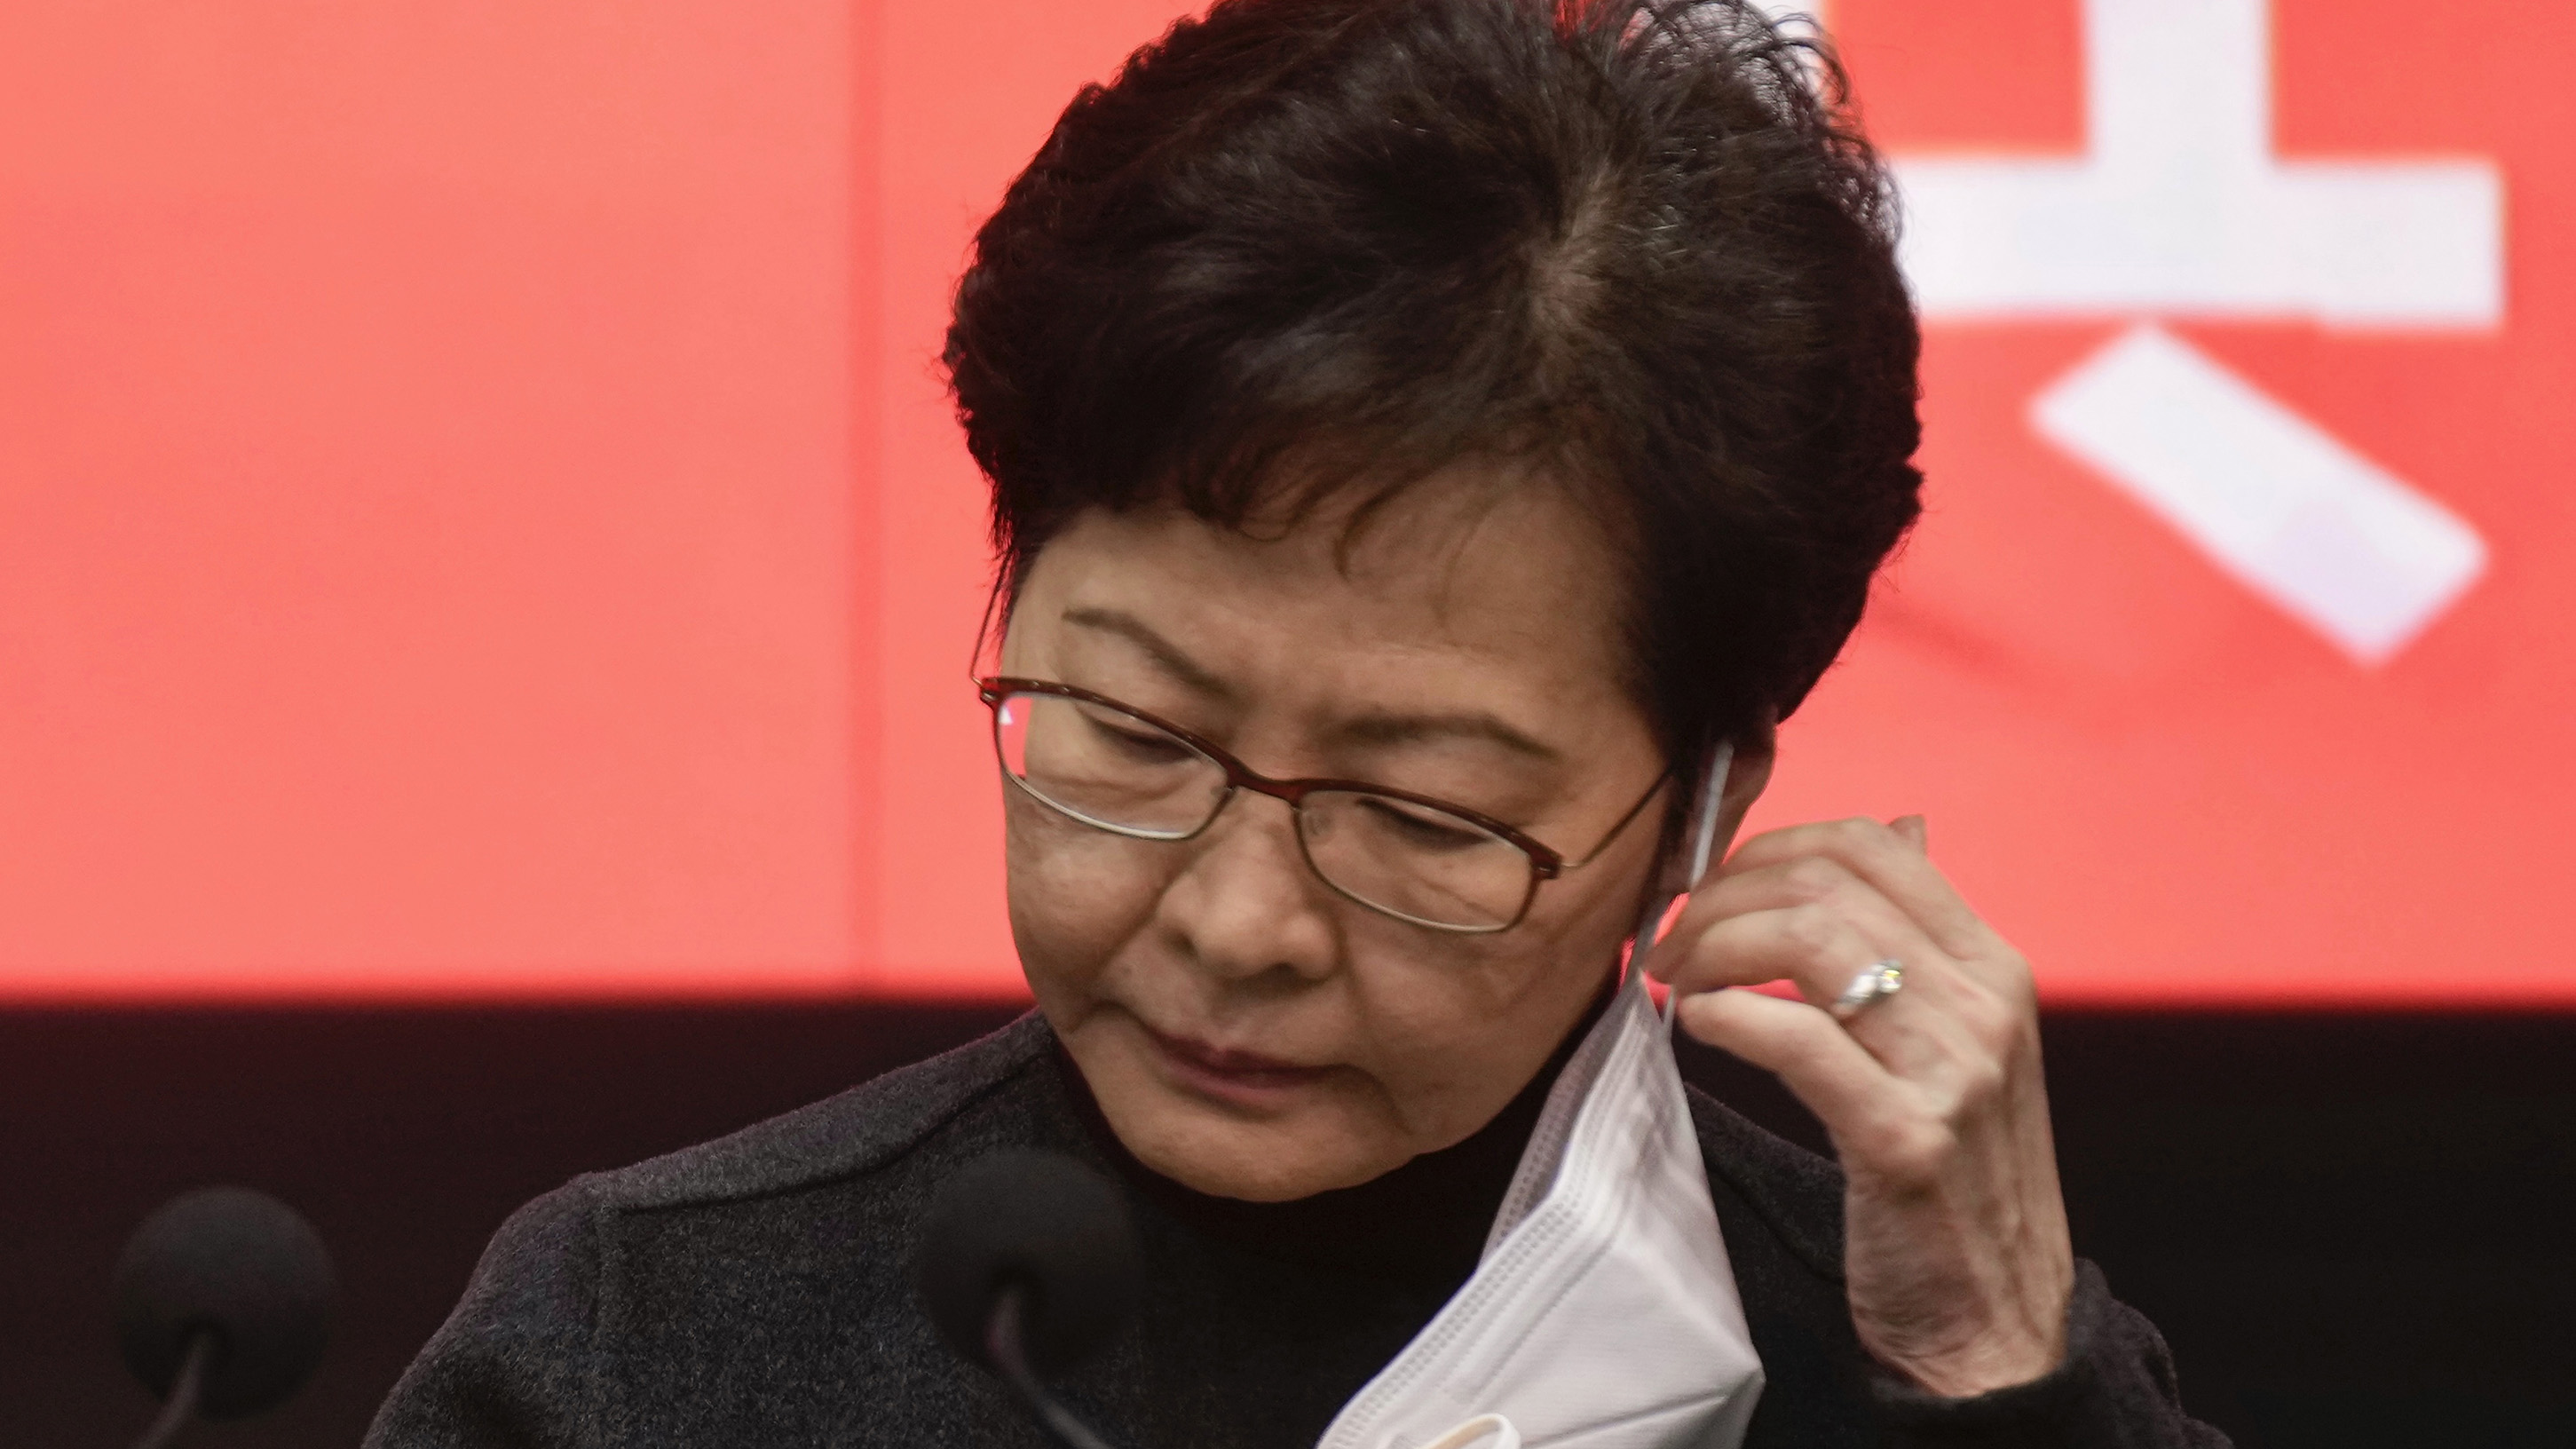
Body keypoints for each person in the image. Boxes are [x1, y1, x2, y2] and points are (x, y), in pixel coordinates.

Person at [369, 1, 2224, 1444]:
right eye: (1134, 734)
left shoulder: (1897, 1373)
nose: (1235, 928)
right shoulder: (653, 1343)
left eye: (1420, 821)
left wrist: (1990, 1376)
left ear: (1701, 811)